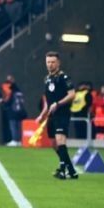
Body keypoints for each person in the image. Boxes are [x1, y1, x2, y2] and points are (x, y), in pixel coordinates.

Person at [35, 51, 78, 179]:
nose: (50, 64)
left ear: (58, 63)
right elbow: (48, 102)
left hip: (62, 113)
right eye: (48, 62)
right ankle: (71, 170)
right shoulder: (47, 79)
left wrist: (58, 104)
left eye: (53, 62)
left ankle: (62, 170)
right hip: (52, 115)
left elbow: (72, 94)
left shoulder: (64, 77)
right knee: (54, 143)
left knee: (60, 140)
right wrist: (42, 115)